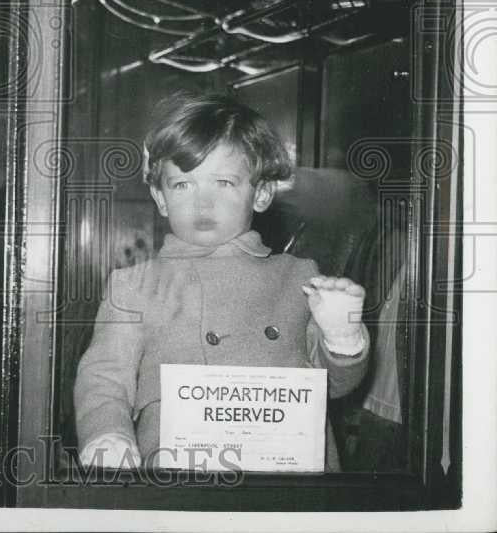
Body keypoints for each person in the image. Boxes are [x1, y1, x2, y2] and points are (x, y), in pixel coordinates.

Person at [73, 91, 370, 471]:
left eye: (224, 183)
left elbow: (334, 388)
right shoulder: (134, 286)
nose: (203, 203)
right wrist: (107, 435)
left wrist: (342, 338)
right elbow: (104, 378)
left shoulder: (300, 277)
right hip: (178, 483)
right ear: (160, 198)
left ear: (261, 193)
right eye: (183, 185)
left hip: (291, 487)